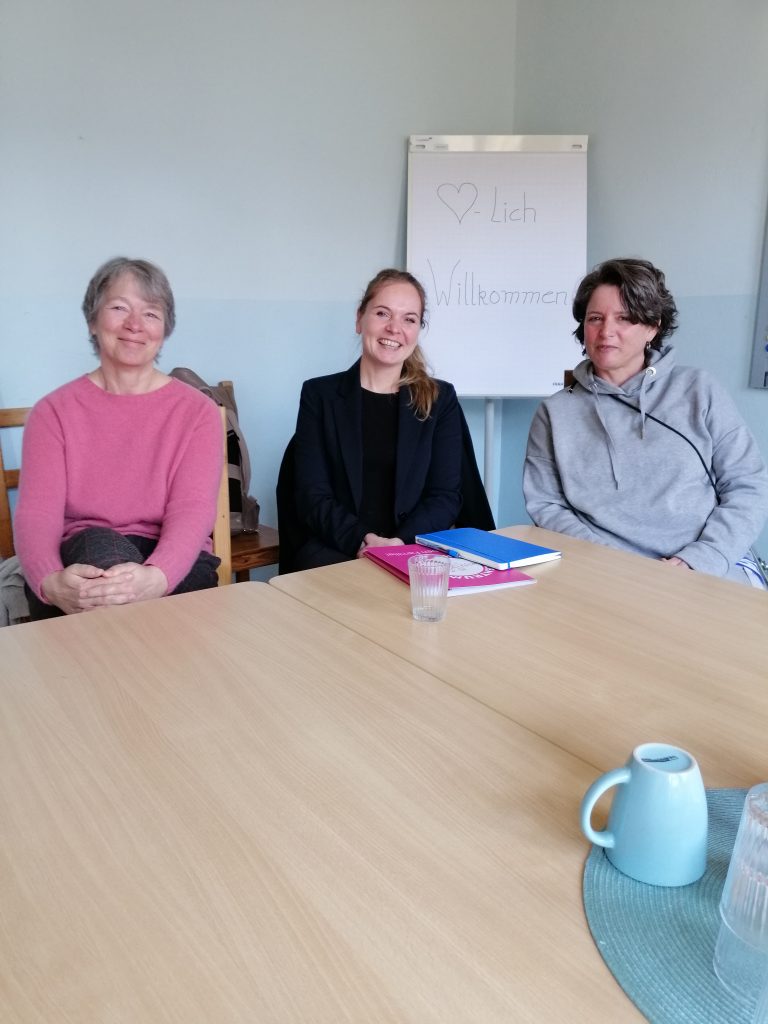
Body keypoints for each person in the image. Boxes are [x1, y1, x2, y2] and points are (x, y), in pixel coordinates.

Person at [523, 257, 768, 584]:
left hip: (702, 567)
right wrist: (615, 565)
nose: (606, 331)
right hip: (602, 571)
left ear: (653, 326)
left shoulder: (699, 390)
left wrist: (700, 559)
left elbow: (747, 485)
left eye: (624, 318)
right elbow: (547, 505)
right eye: (595, 318)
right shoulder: (554, 412)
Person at [16, 256, 223, 619]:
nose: (134, 324)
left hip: (175, 562)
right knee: (101, 560)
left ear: (164, 330)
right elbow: (37, 513)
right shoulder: (52, 412)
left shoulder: (198, 412)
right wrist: (49, 581)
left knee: (116, 596)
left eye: (151, 313)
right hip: (83, 558)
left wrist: (158, 576)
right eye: (119, 307)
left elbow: (192, 510)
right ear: (92, 320)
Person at [291, 268, 463, 569]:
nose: (394, 328)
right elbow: (312, 494)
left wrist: (398, 544)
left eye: (409, 319)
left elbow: (445, 496)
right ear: (360, 319)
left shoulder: (441, 399)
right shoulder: (320, 395)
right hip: (338, 550)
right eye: (383, 313)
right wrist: (362, 541)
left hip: (415, 549)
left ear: (418, 329)